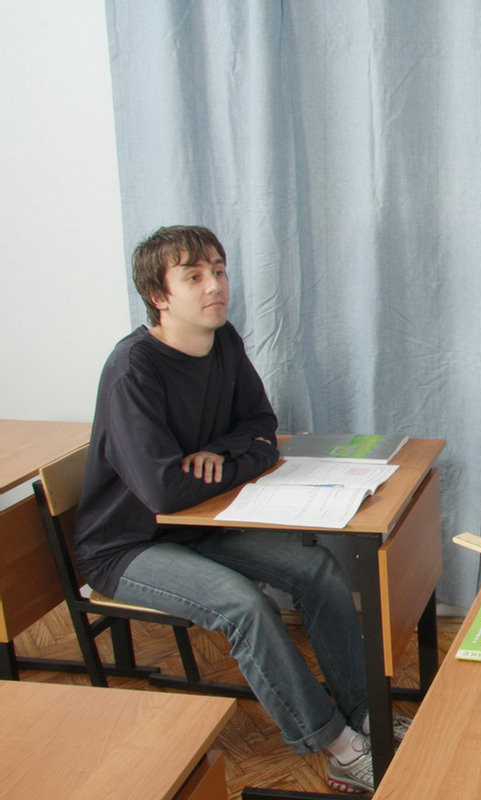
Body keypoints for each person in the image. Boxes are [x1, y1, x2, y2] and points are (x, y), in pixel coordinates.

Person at [74, 225, 391, 793]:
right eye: (193, 275)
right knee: (243, 605)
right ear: (159, 296)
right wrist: (244, 458)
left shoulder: (224, 340)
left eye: (218, 270)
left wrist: (223, 453)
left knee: (316, 569)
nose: (214, 284)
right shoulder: (132, 371)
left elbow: (263, 429)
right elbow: (165, 493)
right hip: (127, 546)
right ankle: (340, 748)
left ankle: (366, 716)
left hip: (197, 527)